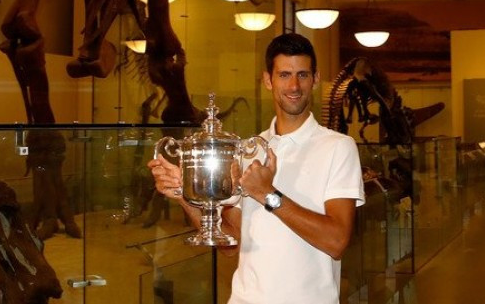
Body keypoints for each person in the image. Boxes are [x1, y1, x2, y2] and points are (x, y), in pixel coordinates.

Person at [147, 33, 365, 304]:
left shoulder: (338, 147)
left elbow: (337, 242)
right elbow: (231, 244)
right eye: (284, 75)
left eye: (303, 75)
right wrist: (183, 194)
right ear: (267, 80)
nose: (294, 85)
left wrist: (267, 194)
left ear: (315, 79)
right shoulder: (249, 150)